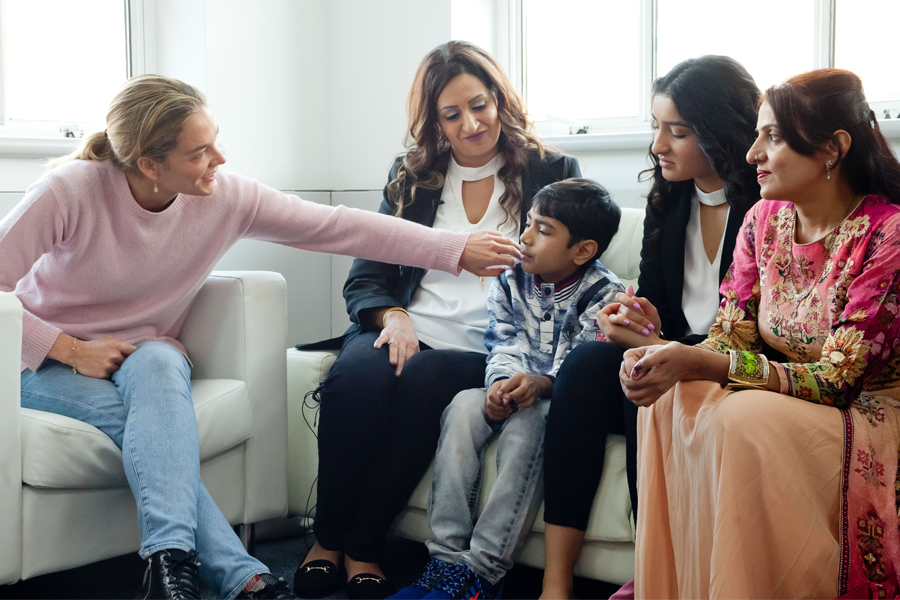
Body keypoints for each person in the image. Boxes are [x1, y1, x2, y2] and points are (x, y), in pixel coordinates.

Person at [0, 74, 519, 600]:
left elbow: (336, 225)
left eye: (215, 141)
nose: (219, 160)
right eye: (200, 153)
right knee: (148, 433)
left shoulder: (223, 196)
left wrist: (453, 249)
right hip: (37, 361)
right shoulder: (69, 191)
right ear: (150, 165)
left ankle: (171, 569)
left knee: (159, 364)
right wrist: (68, 349)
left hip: (143, 356)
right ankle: (238, 577)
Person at [296, 40, 580, 600]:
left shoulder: (551, 170)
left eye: (479, 105)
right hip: (408, 327)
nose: (471, 124)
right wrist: (395, 317)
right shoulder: (413, 176)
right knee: (354, 377)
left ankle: (364, 544)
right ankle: (325, 540)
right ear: (435, 123)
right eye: (452, 114)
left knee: (424, 379)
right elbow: (366, 276)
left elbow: (573, 266)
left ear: (499, 99)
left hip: (490, 345)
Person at [620, 69, 900, 599]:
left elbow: (839, 381)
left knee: (744, 416)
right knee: (668, 396)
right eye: (757, 135)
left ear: (833, 148)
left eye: (772, 136)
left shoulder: (888, 233)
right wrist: (665, 357)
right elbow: (730, 336)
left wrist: (708, 363)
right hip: (794, 402)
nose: (752, 154)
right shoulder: (762, 221)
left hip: (867, 414)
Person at [538, 56, 760, 599]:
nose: (658, 145)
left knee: (645, 376)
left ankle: (655, 573)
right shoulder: (669, 200)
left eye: (676, 132)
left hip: (733, 359)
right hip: (674, 346)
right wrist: (632, 314)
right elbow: (656, 304)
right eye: (657, 126)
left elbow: (757, 328)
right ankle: (554, 581)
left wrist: (657, 344)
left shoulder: (766, 207)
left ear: (721, 132)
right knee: (586, 366)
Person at [391, 178, 624, 600]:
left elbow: (585, 363)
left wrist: (541, 384)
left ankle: (484, 570)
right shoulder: (509, 278)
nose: (526, 237)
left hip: (557, 400)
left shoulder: (605, 293)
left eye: (543, 230)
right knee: (463, 406)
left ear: (583, 250)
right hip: (512, 381)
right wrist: (499, 384)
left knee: (528, 423)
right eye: (528, 223)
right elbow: (502, 340)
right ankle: (446, 560)